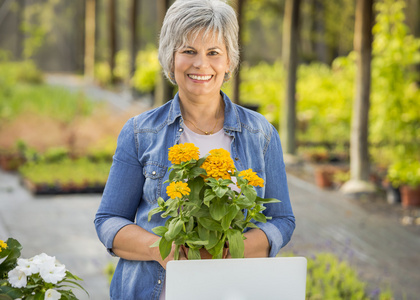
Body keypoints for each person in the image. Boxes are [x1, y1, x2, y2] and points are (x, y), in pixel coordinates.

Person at [94, 0, 295, 299]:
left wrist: (228, 253)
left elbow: (282, 221)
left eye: (213, 52)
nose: (201, 64)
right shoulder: (140, 132)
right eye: (188, 51)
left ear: (228, 61)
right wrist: (167, 251)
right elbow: (109, 220)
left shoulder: (261, 133)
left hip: (235, 290)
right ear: (170, 58)